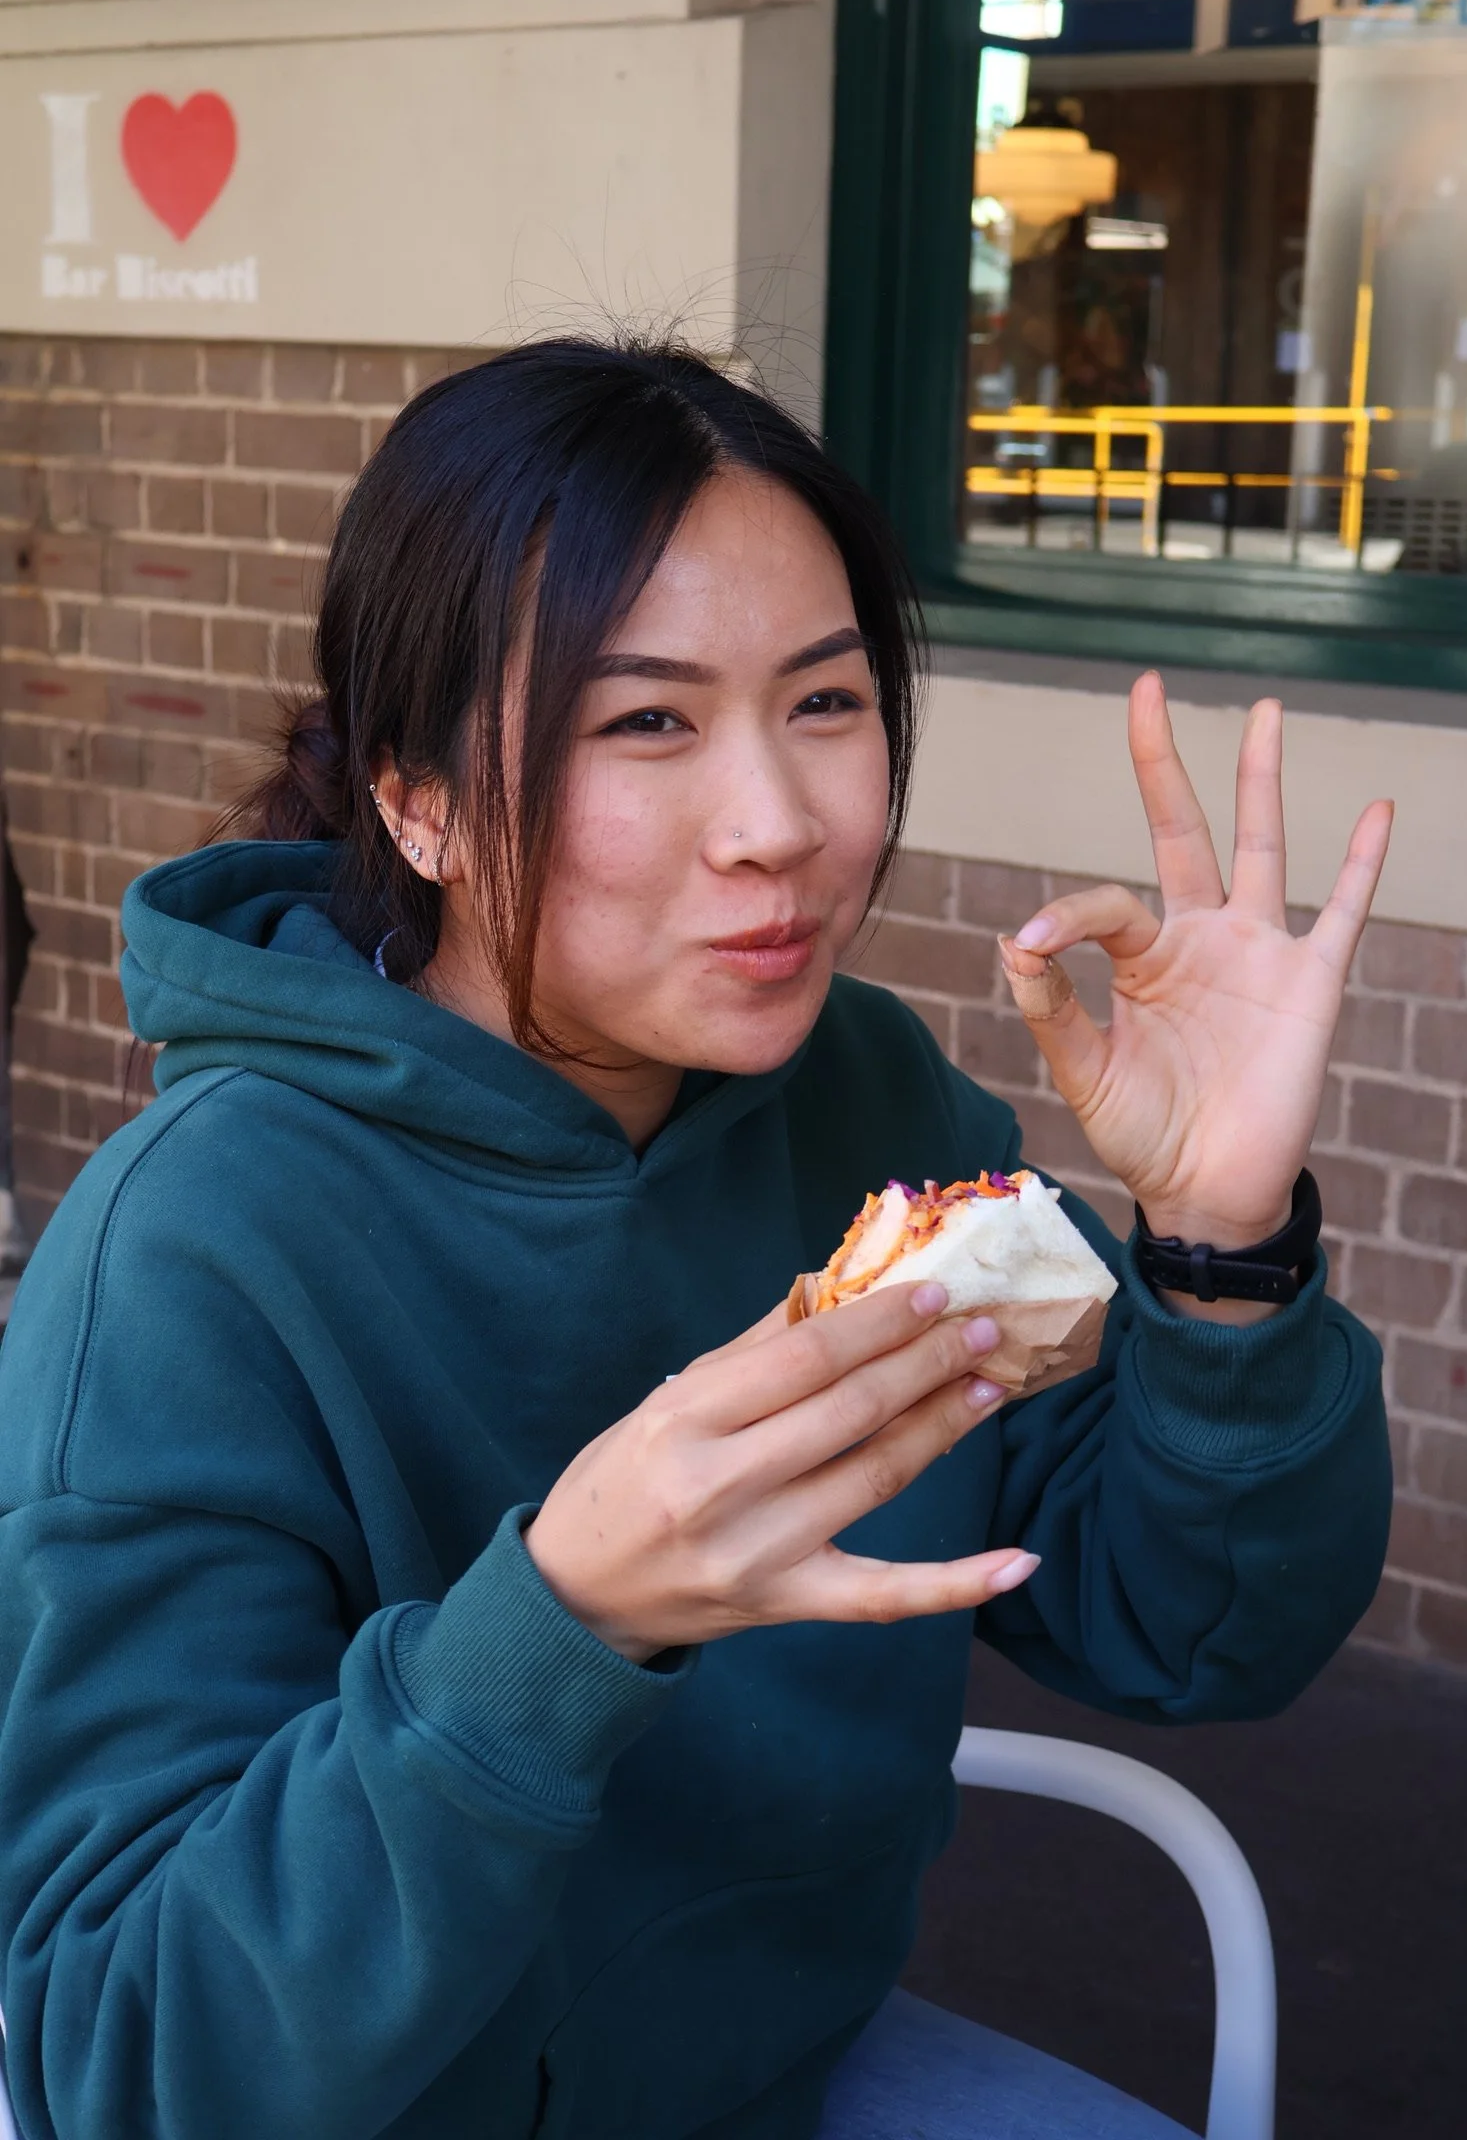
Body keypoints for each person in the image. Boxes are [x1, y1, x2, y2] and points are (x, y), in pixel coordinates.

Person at [0, 339, 1394, 2140]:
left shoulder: (868, 1097)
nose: (783, 829)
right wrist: (559, 1621)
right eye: (643, 721)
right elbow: (131, 2059)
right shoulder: (188, 1261)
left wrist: (1223, 1254)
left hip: (788, 2070)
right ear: (413, 796)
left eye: (825, 704)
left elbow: (1192, 1627)